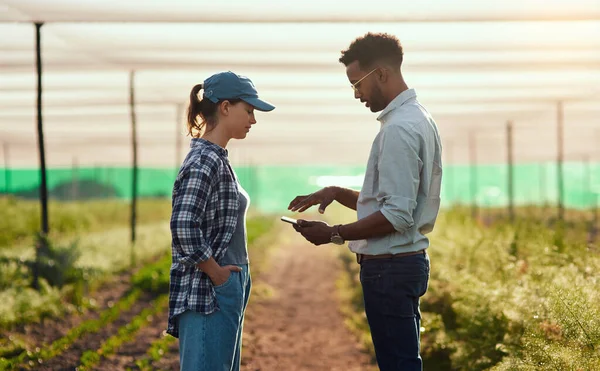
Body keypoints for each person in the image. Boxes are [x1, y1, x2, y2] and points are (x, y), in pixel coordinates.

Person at [288, 33, 442, 371]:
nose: (356, 93)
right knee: (402, 360)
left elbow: (397, 216)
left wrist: (333, 233)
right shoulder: (418, 118)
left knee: (398, 364)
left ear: (382, 74)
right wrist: (336, 192)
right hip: (403, 263)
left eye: (358, 83)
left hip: (389, 269)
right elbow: (396, 203)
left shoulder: (399, 129)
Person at [168, 71, 275, 371]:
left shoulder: (219, 157)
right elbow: (183, 226)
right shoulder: (205, 160)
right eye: (249, 110)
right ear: (225, 107)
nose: (253, 119)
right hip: (209, 291)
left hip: (226, 283)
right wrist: (216, 273)